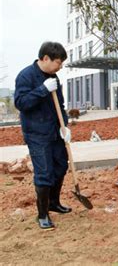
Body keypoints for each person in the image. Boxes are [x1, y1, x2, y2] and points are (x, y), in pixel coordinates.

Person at [14, 42, 71, 230]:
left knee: (61, 166)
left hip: (55, 131)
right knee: (44, 173)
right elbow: (21, 103)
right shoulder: (26, 76)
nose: (60, 67)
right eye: (58, 62)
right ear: (45, 58)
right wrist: (42, 90)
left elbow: (60, 105)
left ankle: (53, 202)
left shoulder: (53, 77)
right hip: (37, 134)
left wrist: (65, 125)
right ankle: (42, 214)